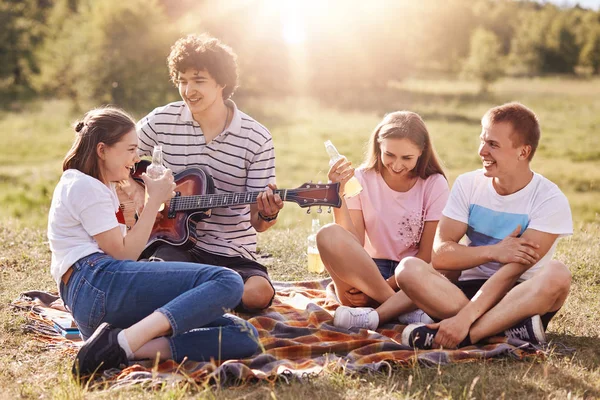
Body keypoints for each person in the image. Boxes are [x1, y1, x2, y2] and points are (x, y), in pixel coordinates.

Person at [48, 107, 259, 377]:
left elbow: (127, 253)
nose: (136, 159)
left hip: (102, 300)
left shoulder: (104, 187)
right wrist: (153, 202)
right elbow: (123, 256)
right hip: (93, 283)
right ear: (102, 150)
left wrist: (136, 206)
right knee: (227, 281)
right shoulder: (82, 184)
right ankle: (124, 342)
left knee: (243, 334)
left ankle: (120, 348)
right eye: (130, 149)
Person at [350, 102, 573, 348]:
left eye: (493, 145)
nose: (482, 151)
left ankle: (468, 334)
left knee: (558, 274)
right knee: (408, 270)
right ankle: (504, 329)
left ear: (523, 152)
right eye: (483, 141)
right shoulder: (469, 184)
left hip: (521, 297)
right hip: (464, 293)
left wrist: (463, 321)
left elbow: (511, 273)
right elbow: (442, 255)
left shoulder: (549, 199)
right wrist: (493, 251)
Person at [125, 34, 283, 312]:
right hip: (170, 241)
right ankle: (206, 297)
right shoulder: (162, 119)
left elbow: (259, 223)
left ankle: (194, 295)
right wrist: (138, 195)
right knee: (158, 275)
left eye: (198, 81)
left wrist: (268, 213)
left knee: (257, 294)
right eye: (182, 81)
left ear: (221, 82)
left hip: (231, 250)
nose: (188, 90)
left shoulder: (256, 137)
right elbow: (117, 156)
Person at [316, 111, 451, 330]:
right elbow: (353, 243)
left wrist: (380, 291)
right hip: (366, 275)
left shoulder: (434, 184)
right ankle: (401, 312)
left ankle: (378, 311)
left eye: (407, 158)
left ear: (421, 151)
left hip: (411, 277)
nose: (397, 165)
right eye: (390, 155)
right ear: (379, 146)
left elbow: (427, 256)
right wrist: (337, 195)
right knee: (327, 234)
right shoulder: (360, 179)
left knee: (431, 272)